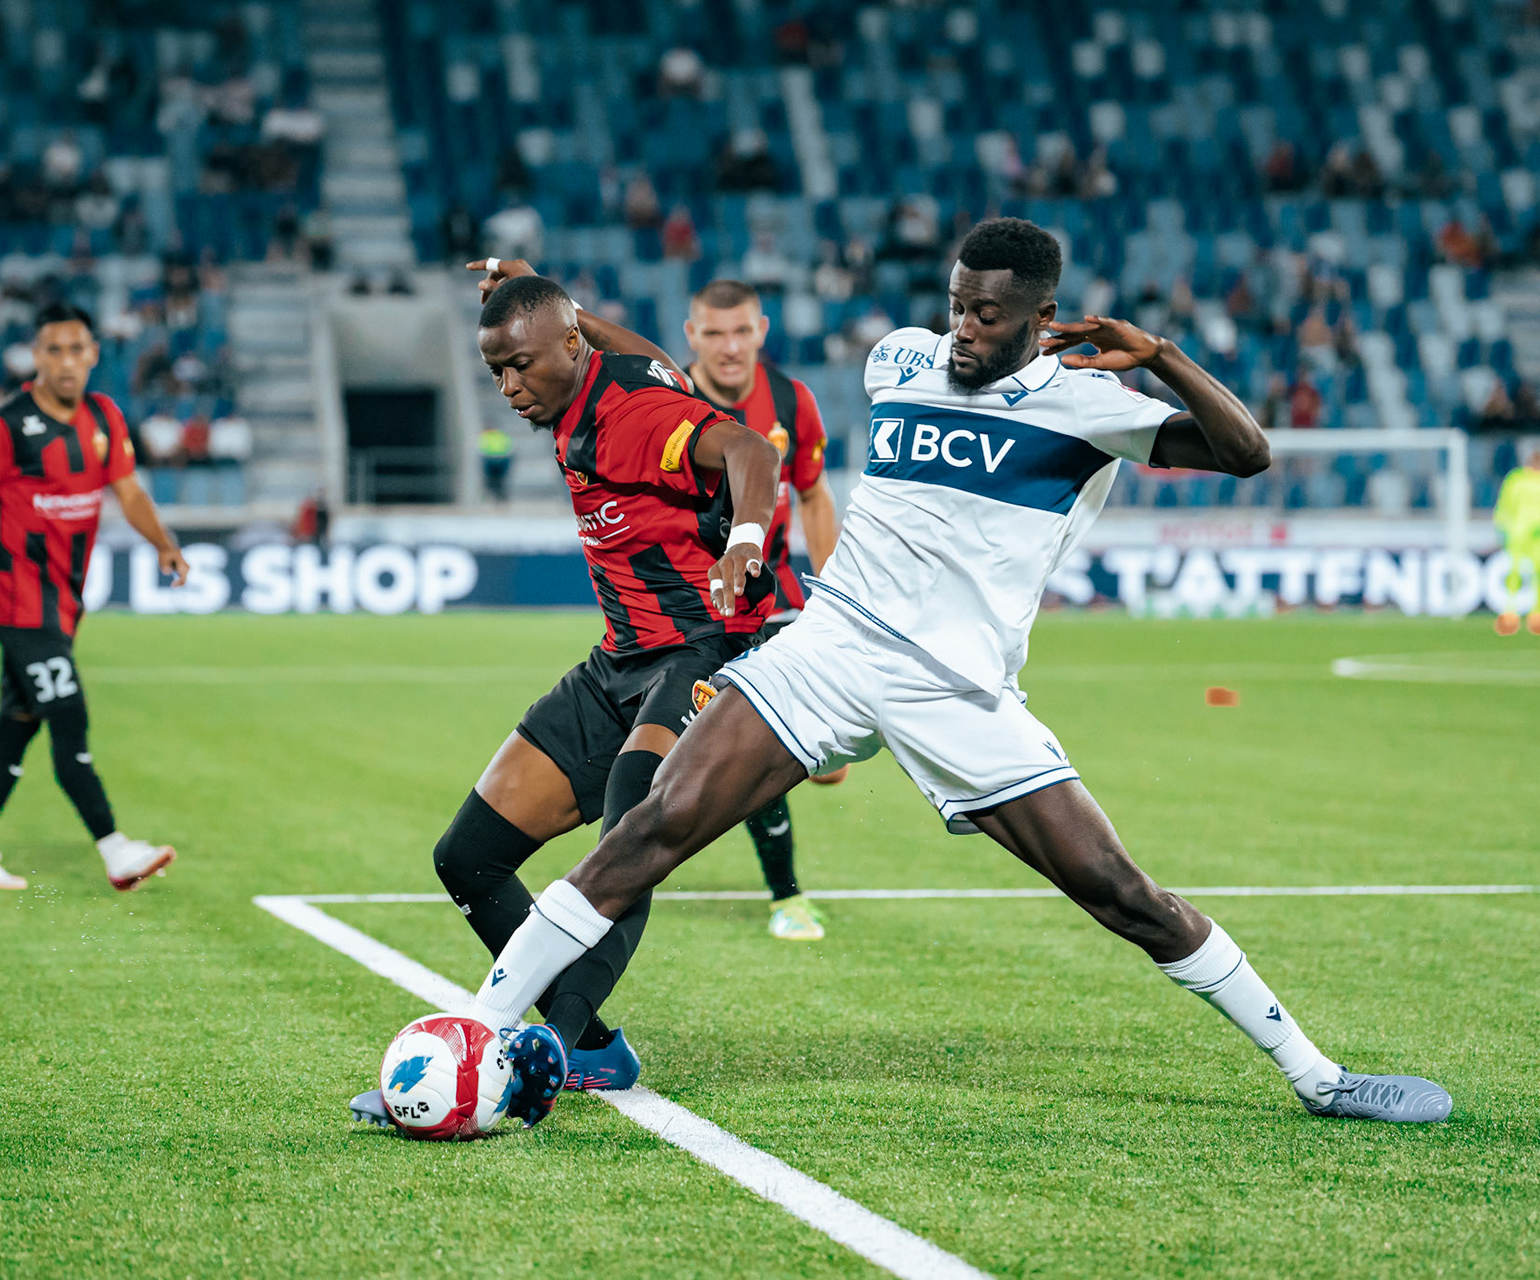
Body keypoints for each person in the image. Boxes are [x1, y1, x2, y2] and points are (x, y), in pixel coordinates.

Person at [461, 219, 1453, 1129]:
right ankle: (471, 1049)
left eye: (988, 313)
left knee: (1123, 892)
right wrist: (564, 312)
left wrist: (1161, 355)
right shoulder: (904, 356)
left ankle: (1318, 1074)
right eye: (956, 306)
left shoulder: (1091, 408)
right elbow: (663, 368)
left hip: (957, 689)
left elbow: (1247, 452)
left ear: (1042, 318)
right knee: (648, 829)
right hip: (831, 648)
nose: (964, 330)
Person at [350, 261, 782, 1127]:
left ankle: (545, 1048)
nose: (509, 387)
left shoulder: (637, 418)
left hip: (702, 646)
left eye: (520, 366)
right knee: (466, 856)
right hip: (620, 657)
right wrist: (553, 297)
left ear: (572, 349)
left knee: (633, 821)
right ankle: (588, 1051)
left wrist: (742, 537)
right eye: (496, 371)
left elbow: (745, 449)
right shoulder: (590, 376)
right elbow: (644, 352)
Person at [0, 303, 189, 892]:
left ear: (94, 354)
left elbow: (128, 490)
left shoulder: (104, 416)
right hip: (16, 599)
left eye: (77, 350)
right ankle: (117, 850)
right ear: (36, 357)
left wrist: (163, 545)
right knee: (68, 711)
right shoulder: (2, 426)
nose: (67, 362)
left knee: (18, 722)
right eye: (54, 351)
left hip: (64, 601)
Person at [681, 279, 842, 940]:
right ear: (691, 335)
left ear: (762, 331)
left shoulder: (790, 401)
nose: (728, 347)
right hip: (690, 603)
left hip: (774, 595)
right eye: (714, 333)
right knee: (731, 745)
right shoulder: (668, 401)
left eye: (741, 331)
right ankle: (787, 897)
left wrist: (836, 600)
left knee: (828, 770)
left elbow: (813, 494)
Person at [1494, 445, 1540, 636]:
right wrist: (1505, 527)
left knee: (1537, 574)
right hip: (1520, 533)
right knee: (1516, 573)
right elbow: (1504, 506)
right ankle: (1511, 612)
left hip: (1536, 535)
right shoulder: (1521, 480)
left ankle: (1535, 614)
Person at [478, 425, 514, 502]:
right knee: (499, 480)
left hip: (491, 460)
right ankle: (500, 497)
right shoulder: (501, 435)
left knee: (493, 480)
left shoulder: (485, 436)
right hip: (501, 460)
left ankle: (497, 496)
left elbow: (481, 449)